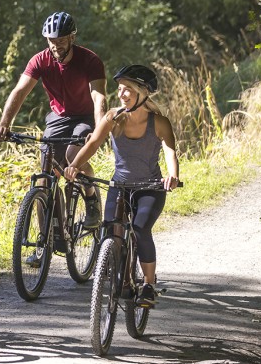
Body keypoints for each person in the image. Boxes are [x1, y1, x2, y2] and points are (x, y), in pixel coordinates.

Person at [64, 63, 180, 307]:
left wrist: (172, 176)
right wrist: (74, 165)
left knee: (139, 229)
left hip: (150, 188)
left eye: (128, 89)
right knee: (111, 229)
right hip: (120, 186)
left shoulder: (159, 122)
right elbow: (93, 143)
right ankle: (123, 279)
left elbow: (170, 151)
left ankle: (148, 285)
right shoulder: (113, 118)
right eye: (120, 89)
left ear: (143, 92)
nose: (122, 94)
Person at [0, 10, 107, 223]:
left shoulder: (89, 60)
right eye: (51, 40)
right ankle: (46, 238)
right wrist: (4, 124)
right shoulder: (40, 60)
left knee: (74, 157)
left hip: (84, 117)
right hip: (58, 118)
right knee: (44, 177)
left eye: (61, 40)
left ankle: (91, 199)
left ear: (72, 37)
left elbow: (99, 98)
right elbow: (19, 92)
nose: (56, 45)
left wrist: (99, 130)